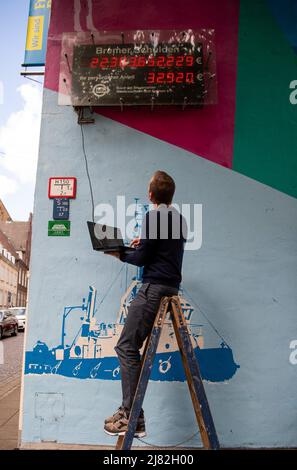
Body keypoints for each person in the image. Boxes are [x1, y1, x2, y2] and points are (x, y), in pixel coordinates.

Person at [104, 170, 187, 437]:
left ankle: (131, 415)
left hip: (153, 288)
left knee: (126, 346)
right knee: (129, 346)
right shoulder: (179, 219)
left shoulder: (154, 216)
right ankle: (133, 414)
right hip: (170, 285)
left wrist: (119, 253)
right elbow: (159, 250)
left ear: (150, 195)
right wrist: (140, 245)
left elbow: (142, 260)